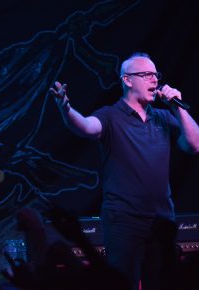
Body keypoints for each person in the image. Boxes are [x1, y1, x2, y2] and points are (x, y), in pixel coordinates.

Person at [50, 52, 199, 290]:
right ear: (128, 80)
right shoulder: (110, 115)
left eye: (156, 75)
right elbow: (87, 128)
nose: (155, 80)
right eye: (147, 75)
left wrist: (177, 107)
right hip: (124, 220)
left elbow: (194, 145)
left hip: (162, 219)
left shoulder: (163, 117)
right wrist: (65, 108)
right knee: (122, 284)